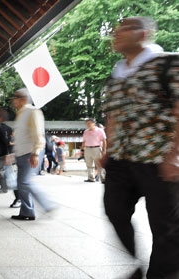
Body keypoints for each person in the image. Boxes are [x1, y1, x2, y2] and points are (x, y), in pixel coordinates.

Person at [102, 16, 179, 279]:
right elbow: (111, 116)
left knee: (166, 226)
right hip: (121, 158)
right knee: (114, 209)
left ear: (143, 33)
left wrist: (174, 155)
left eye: (123, 29)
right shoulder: (116, 73)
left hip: (158, 157)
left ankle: (162, 274)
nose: (116, 34)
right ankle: (135, 265)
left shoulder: (167, 64)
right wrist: (107, 150)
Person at [10, 88, 56, 221]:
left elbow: (38, 133)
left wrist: (36, 152)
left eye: (15, 97)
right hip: (22, 153)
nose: (13, 100)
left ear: (23, 99)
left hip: (30, 152)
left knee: (25, 182)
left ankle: (48, 204)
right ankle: (27, 211)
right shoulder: (21, 114)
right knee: (21, 183)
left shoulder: (33, 111)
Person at [81, 118, 106, 182]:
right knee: (89, 164)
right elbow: (84, 141)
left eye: (89, 123)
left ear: (94, 123)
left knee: (99, 164)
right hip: (87, 148)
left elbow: (104, 140)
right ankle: (91, 178)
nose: (88, 125)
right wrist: (82, 149)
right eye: (87, 124)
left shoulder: (99, 130)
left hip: (96, 148)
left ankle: (103, 179)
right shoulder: (86, 131)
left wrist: (103, 150)